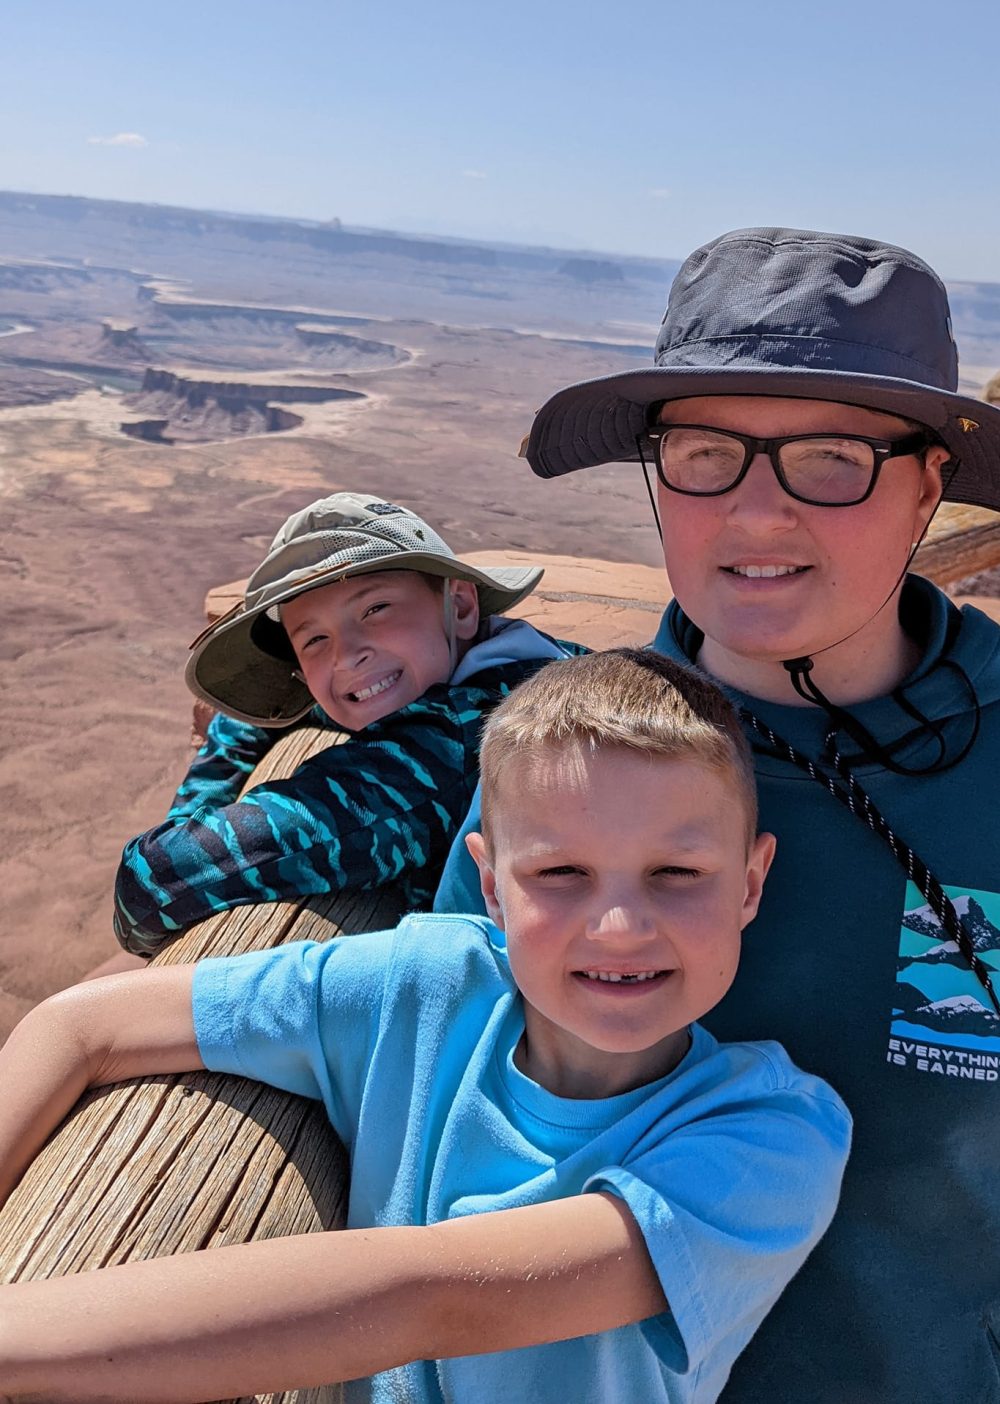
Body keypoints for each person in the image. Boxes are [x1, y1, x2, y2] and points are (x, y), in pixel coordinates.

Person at [433, 226, 1000, 1401]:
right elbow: (454, 1078)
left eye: (832, 459)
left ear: (928, 487)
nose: (754, 517)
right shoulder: (565, 768)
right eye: (703, 454)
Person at [0, 649, 849, 1404]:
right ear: (489, 883)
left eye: (675, 872)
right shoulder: (433, 985)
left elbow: (437, 1295)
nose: (620, 926)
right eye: (560, 872)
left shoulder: (773, 1139)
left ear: (749, 882)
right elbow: (81, 1026)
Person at [113, 491, 578, 957]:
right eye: (314, 639)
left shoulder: (445, 749)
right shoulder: (526, 667)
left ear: (459, 606)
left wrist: (185, 820)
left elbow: (150, 887)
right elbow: (273, 715)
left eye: (374, 609)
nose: (347, 655)